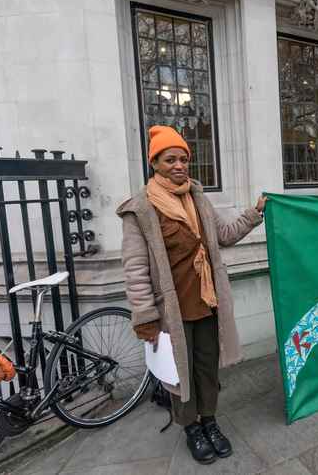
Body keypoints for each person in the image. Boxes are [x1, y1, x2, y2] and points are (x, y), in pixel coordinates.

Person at [117, 125, 266, 465]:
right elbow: (136, 269)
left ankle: (210, 421)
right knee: (179, 374)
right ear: (155, 162)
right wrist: (145, 315)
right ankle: (191, 428)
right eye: (171, 159)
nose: (179, 165)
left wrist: (254, 213)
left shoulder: (198, 198)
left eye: (184, 159)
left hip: (207, 303)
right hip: (172, 310)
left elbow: (225, 235)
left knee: (206, 369)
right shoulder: (140, 209)